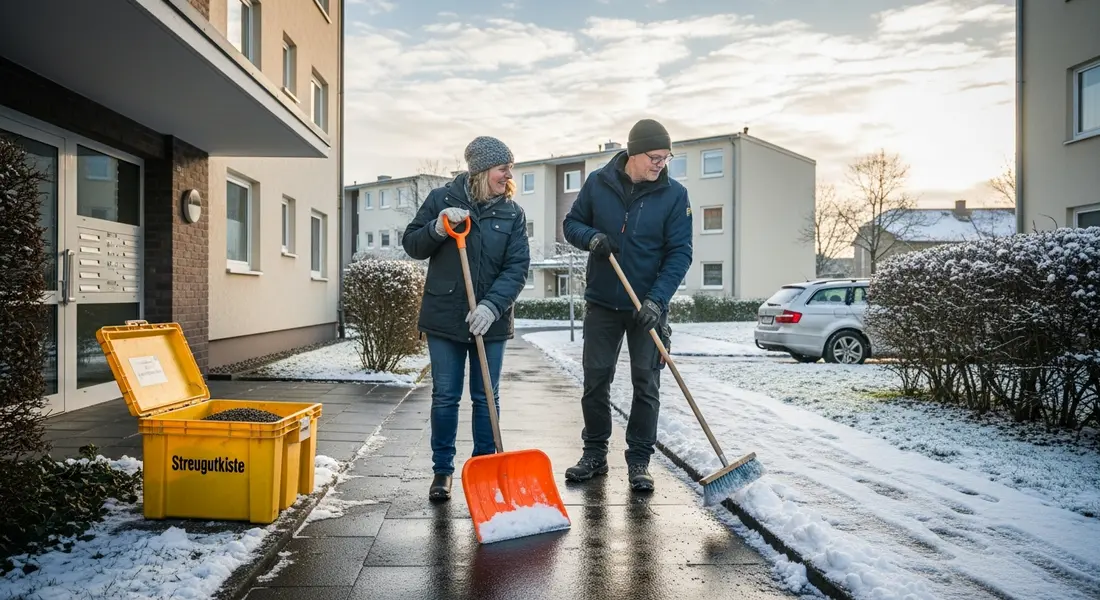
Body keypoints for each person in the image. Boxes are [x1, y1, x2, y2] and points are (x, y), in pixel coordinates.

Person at [562, 119, 692, 492]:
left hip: (647, 306)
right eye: (655, 157)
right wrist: (592, 238)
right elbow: (572, 223)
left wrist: (657, 299)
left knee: (646, 383)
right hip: (603, 302)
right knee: (596, 379)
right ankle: (594, 453)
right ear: (634, 153)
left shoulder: (674, 195)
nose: (660, 165)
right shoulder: (598, 183)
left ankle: (639, 461)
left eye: (666, 158)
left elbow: (680, 252)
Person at [402, 136, 531, 501]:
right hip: (443, 315)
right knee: (445, 395)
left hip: (491, 320)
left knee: (486, 395)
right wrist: (438, 228)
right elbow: (412, 244)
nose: (509, 175)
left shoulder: (512, 213)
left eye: (510, 168)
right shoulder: (441, 200)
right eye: (502, 167)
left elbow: (517, 267)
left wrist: (491, 306)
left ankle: (484, 467)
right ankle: (442, 471)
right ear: (480, 170)